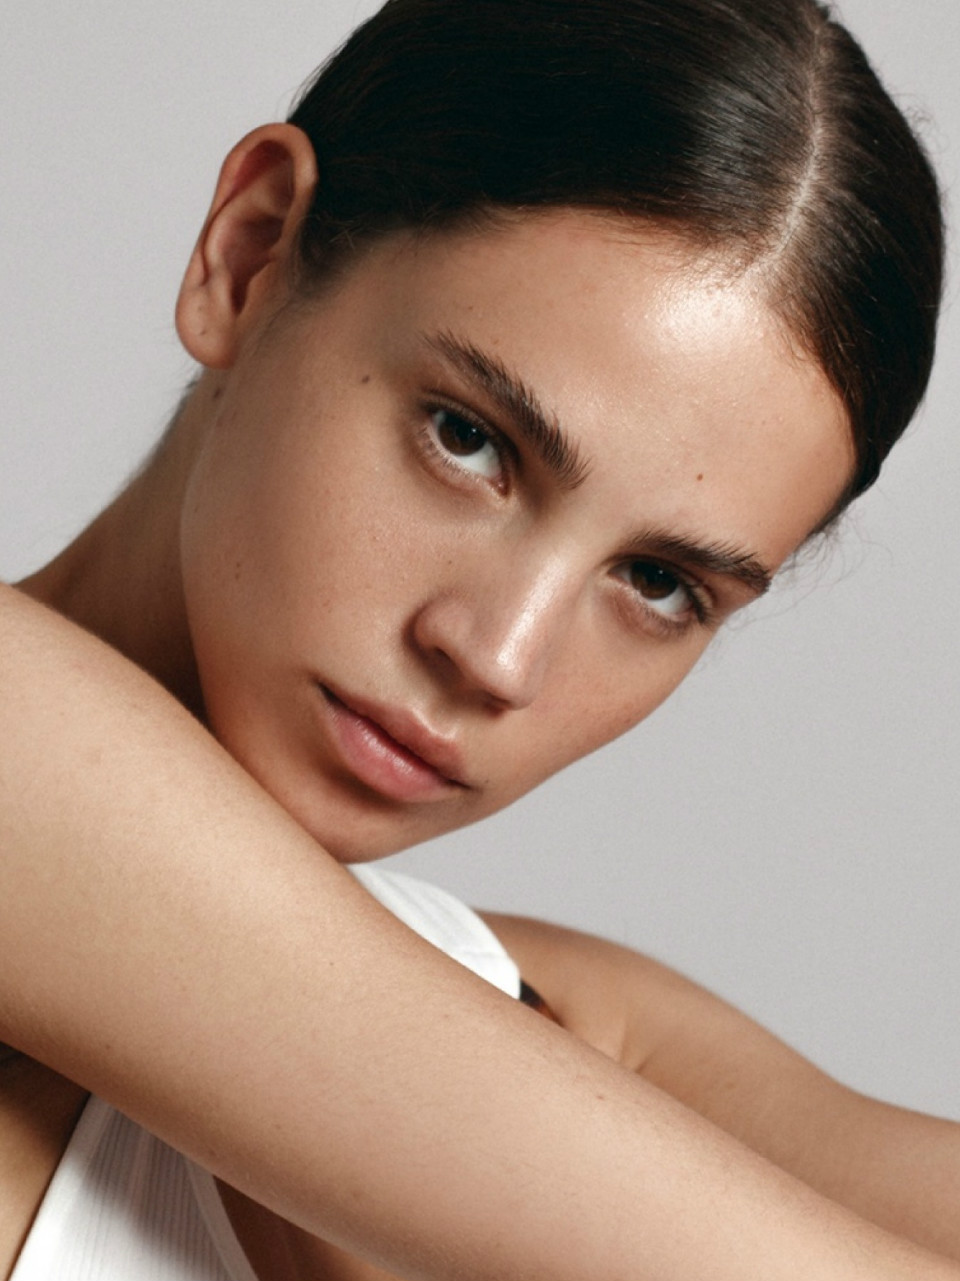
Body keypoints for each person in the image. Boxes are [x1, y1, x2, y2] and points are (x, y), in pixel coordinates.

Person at [0, 0, 957, 1278]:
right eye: (469, 441)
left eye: (659, 583)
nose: (498, 658)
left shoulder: (549, 1011)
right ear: (250, 253)